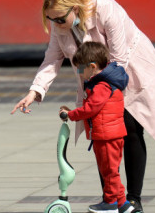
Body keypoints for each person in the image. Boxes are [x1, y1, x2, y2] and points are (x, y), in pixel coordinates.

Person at [11, 0, 155, 213]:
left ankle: (133, 199)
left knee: (131, 128)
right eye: (50, 19)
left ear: (74, 9)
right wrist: (34, 91)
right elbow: (51, 61)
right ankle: (111, 200)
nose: (55, 25)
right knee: (101, 134)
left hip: (131, 70)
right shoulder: (60, 27)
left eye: (59, 19)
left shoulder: (105, 8)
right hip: (95, 78)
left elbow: (119, 57)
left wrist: (101, 92)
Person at [59, 41, 134, 213]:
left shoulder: (101, 86)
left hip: (107, 136)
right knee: (111, 170)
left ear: (92, 67)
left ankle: (110, 203)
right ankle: (123, 204)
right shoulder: (104, 83)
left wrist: (70, 115)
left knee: (109, 172)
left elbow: (90, 109)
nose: (79, 73)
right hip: (108, 134)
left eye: (80, 69)